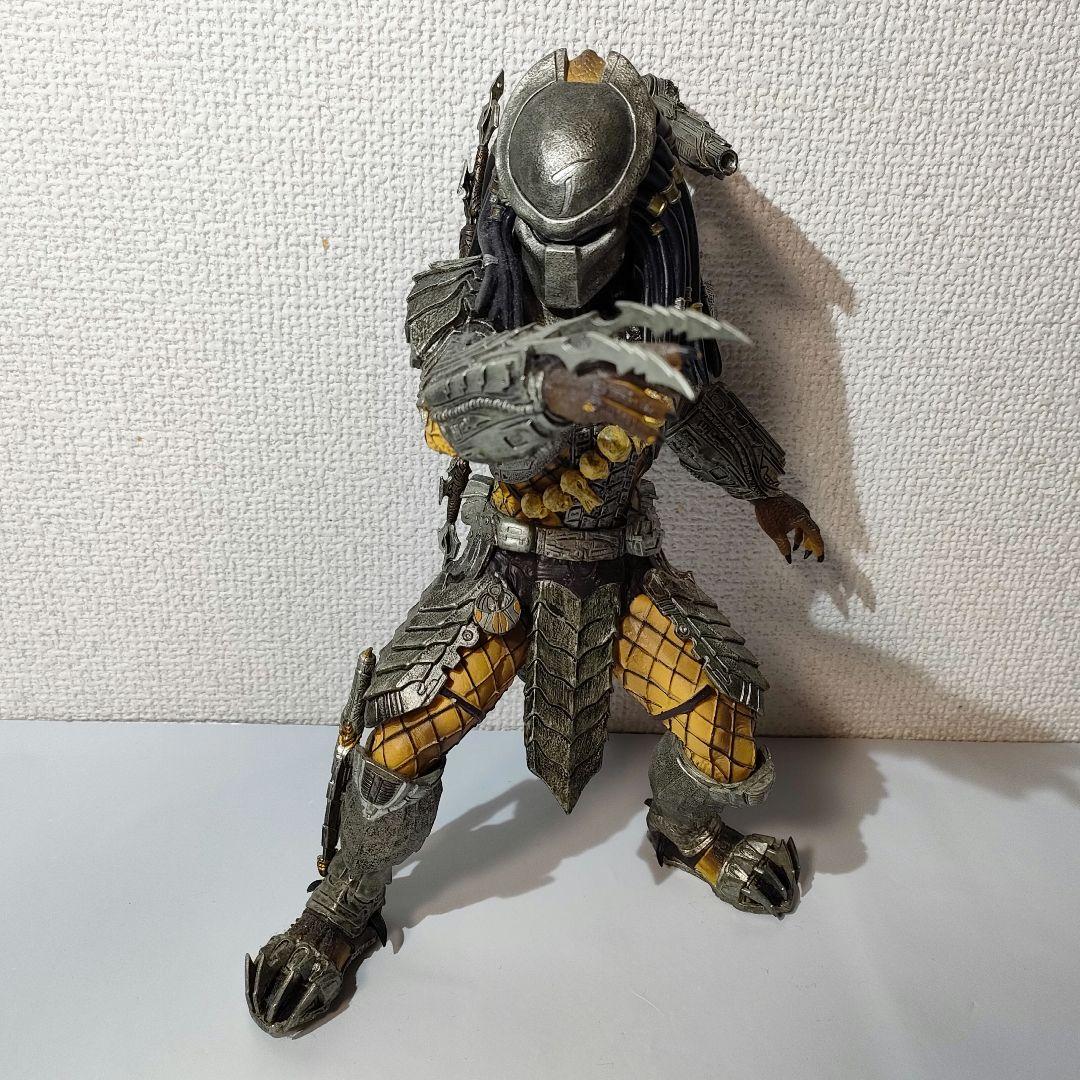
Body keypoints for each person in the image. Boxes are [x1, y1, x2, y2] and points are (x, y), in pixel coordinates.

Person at [246, 48, 825, 1036]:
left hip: (621, 568)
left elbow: (696, 410)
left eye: (594, 234)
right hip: (503, 567)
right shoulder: (468, 302)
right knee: (397, 734)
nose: (570, 262)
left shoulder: (660, 330)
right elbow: (455, 403)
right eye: (549, 236)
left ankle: (689, 834)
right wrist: (560, 391)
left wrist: (765, 494)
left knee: (724, 721)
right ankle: (342, 905)